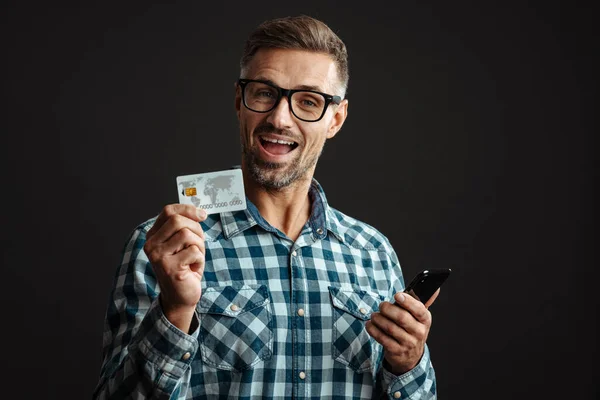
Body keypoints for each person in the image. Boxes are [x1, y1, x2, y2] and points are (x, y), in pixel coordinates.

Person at [94, 15, 438, 399]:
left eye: (308, 101)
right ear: (239, 101)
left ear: (336, 119)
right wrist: (173, 313)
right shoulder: (164, 246)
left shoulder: (373, 253)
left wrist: (408, 362)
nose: (279, 118)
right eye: (263, 93)